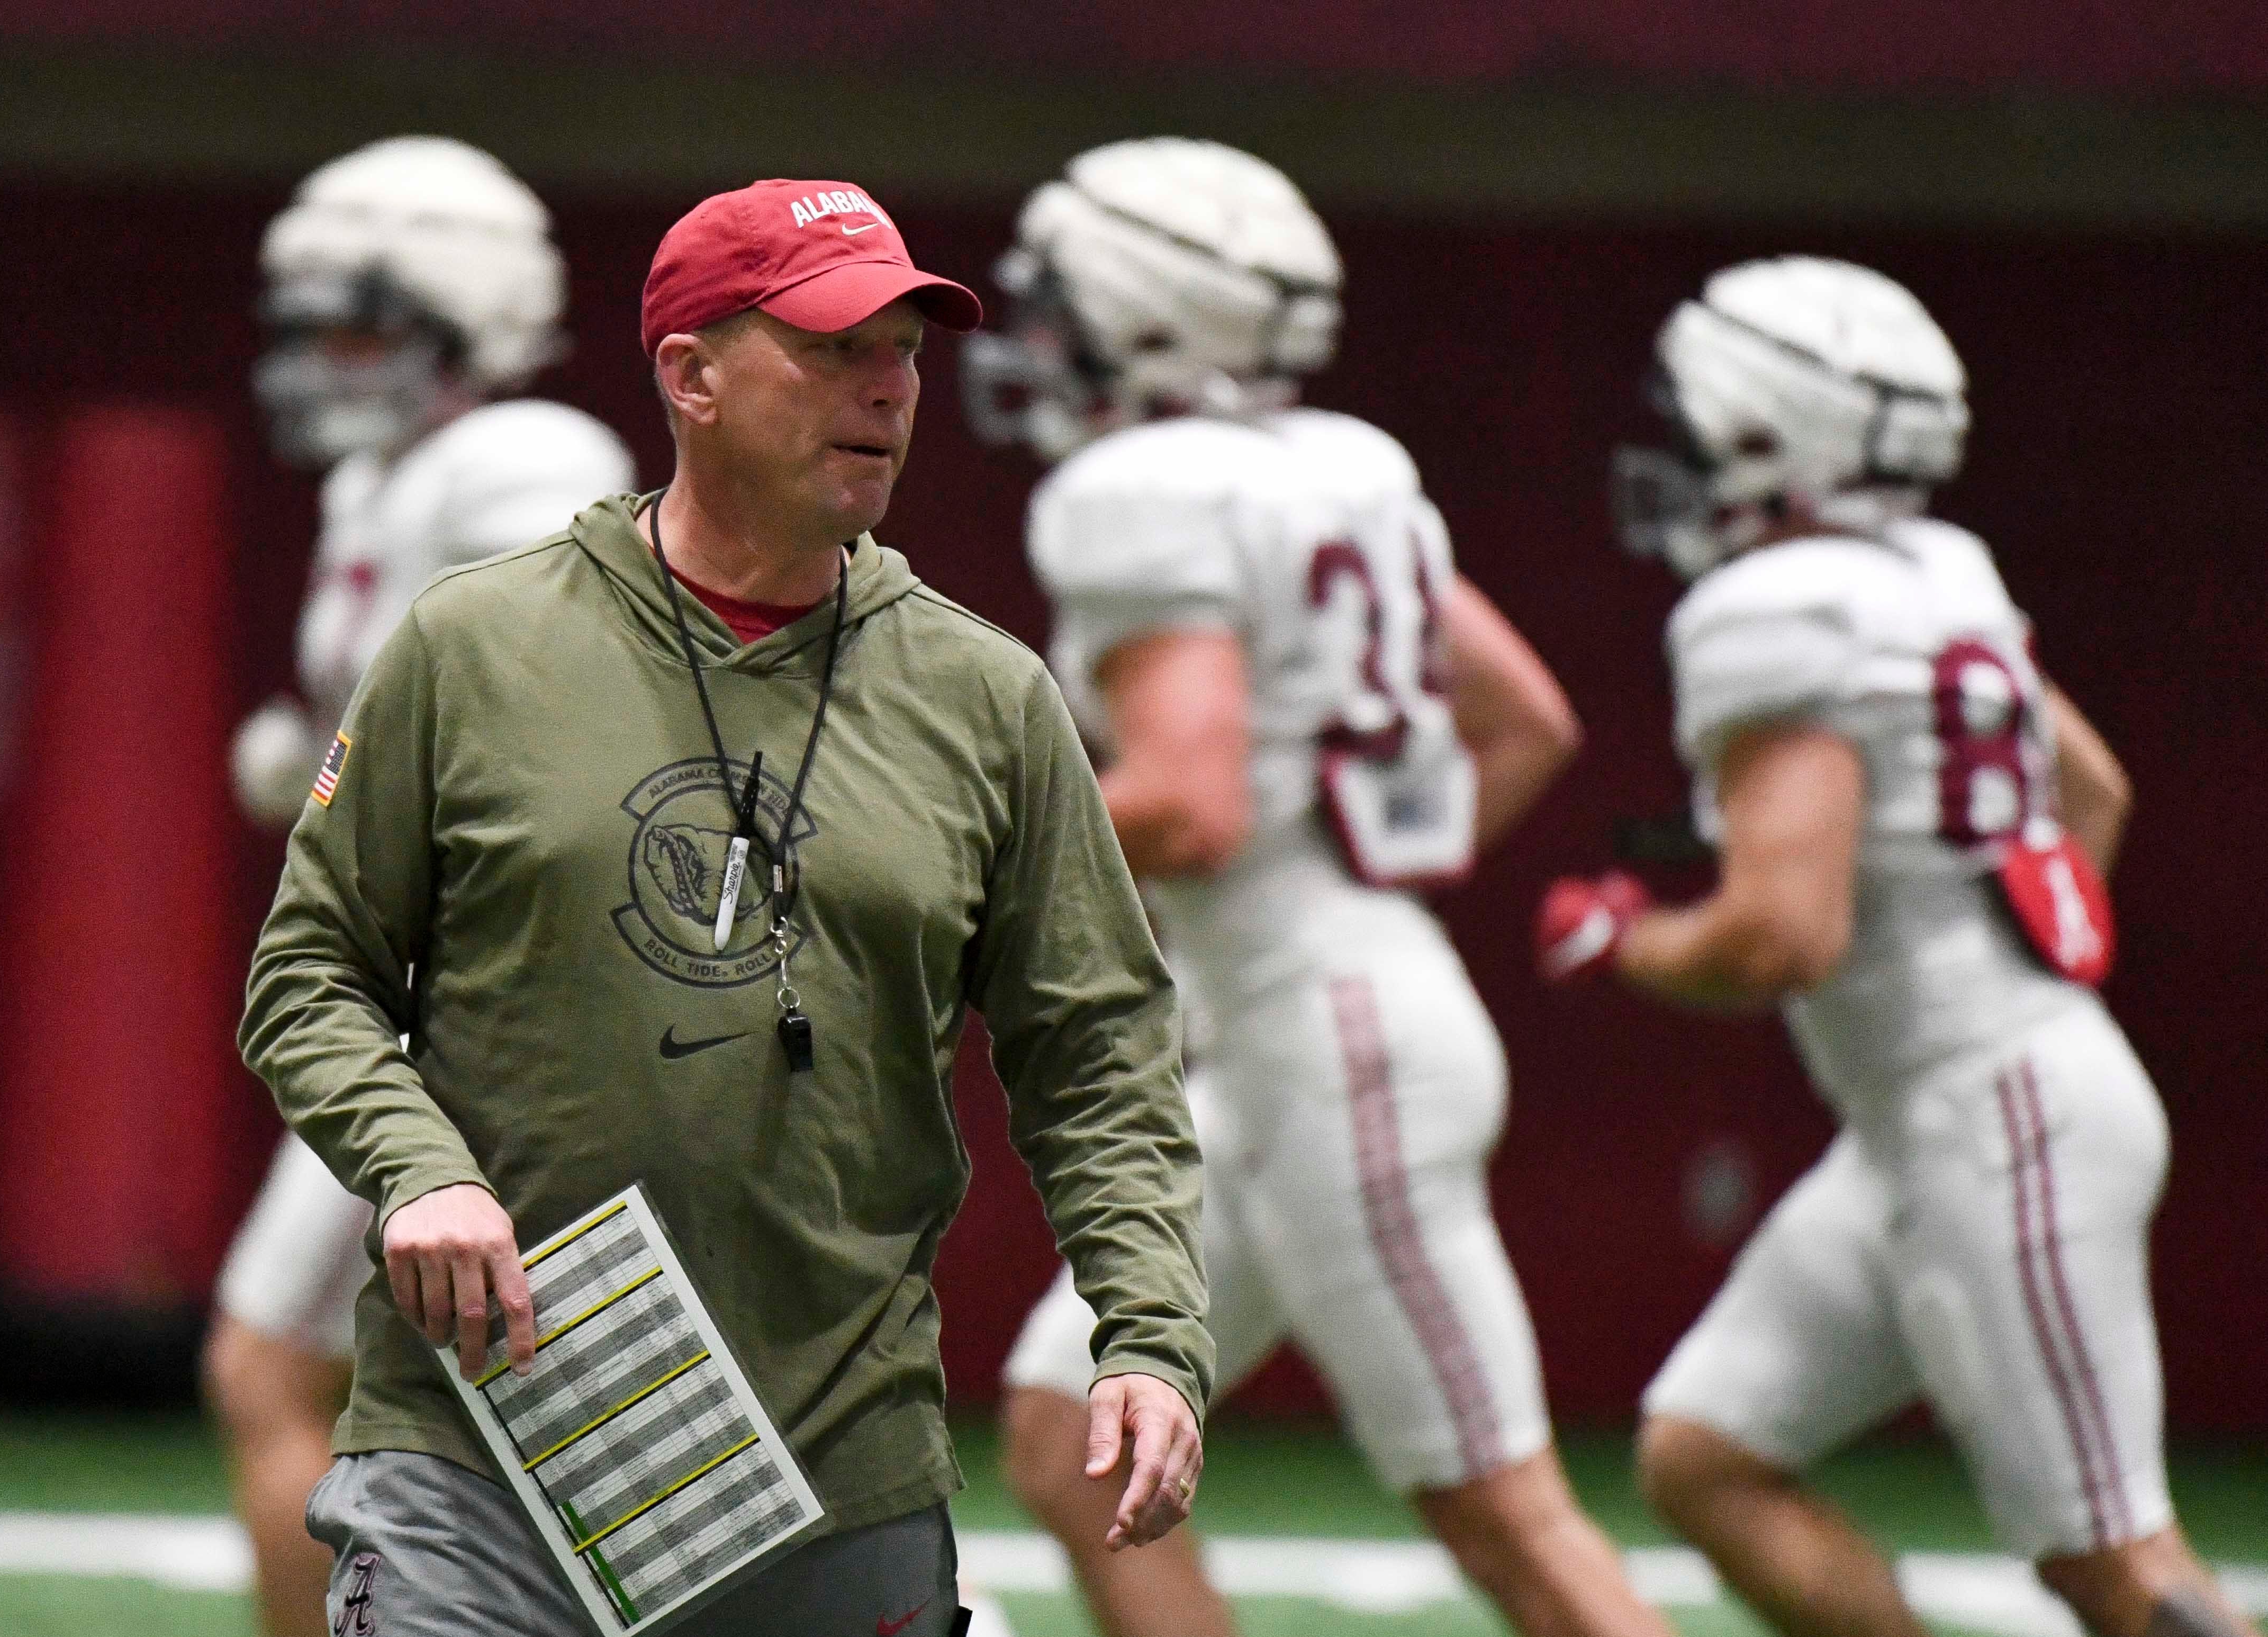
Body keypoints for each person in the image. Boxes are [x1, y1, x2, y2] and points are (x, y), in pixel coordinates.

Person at [239, 176, 1214, 1637]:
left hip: (839, 1466)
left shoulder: (989, 696)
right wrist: (417, 1166)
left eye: (904, 353)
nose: (885, 389)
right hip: (485, 1444)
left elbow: (1101, 1054)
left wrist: (1149, 1335)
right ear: (688, 375)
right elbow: (308, 973)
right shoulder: (472, 644)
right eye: (832, 348)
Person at [968, 138, 1672, 1637]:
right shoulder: (1346, 468)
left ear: (1149, 318)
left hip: (1329, 1039)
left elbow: (1192, 798)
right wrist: (1358, 879)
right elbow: (1525, 721)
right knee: (1069, 1436)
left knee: (1506, 1514)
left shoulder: (1139, 486)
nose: (1037, 338)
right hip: (1319, 1017)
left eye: (1065, 303)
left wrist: (942, 836)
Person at [1535, 255, 2257, 1637]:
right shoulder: (1939, 571)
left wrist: (1628, 936)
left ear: (1765, 431)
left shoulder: (1780, 608)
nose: (1673, 449)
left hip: (1993, 1115)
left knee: (2113, 1563)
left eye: (1696, 418)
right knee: (1709, 1456)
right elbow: (2091, 789)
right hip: (1945, 1115)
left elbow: (1778, 938)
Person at [205, 134, 635, 1637]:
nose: (332, 361)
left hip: (468, 1001)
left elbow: (530, 731)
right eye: (319, 325)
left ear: (470, 321)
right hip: (435, 986)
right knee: (606, 1434)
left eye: (368, 324)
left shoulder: (521, 465)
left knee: (281, 1366)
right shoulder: (397, 479)